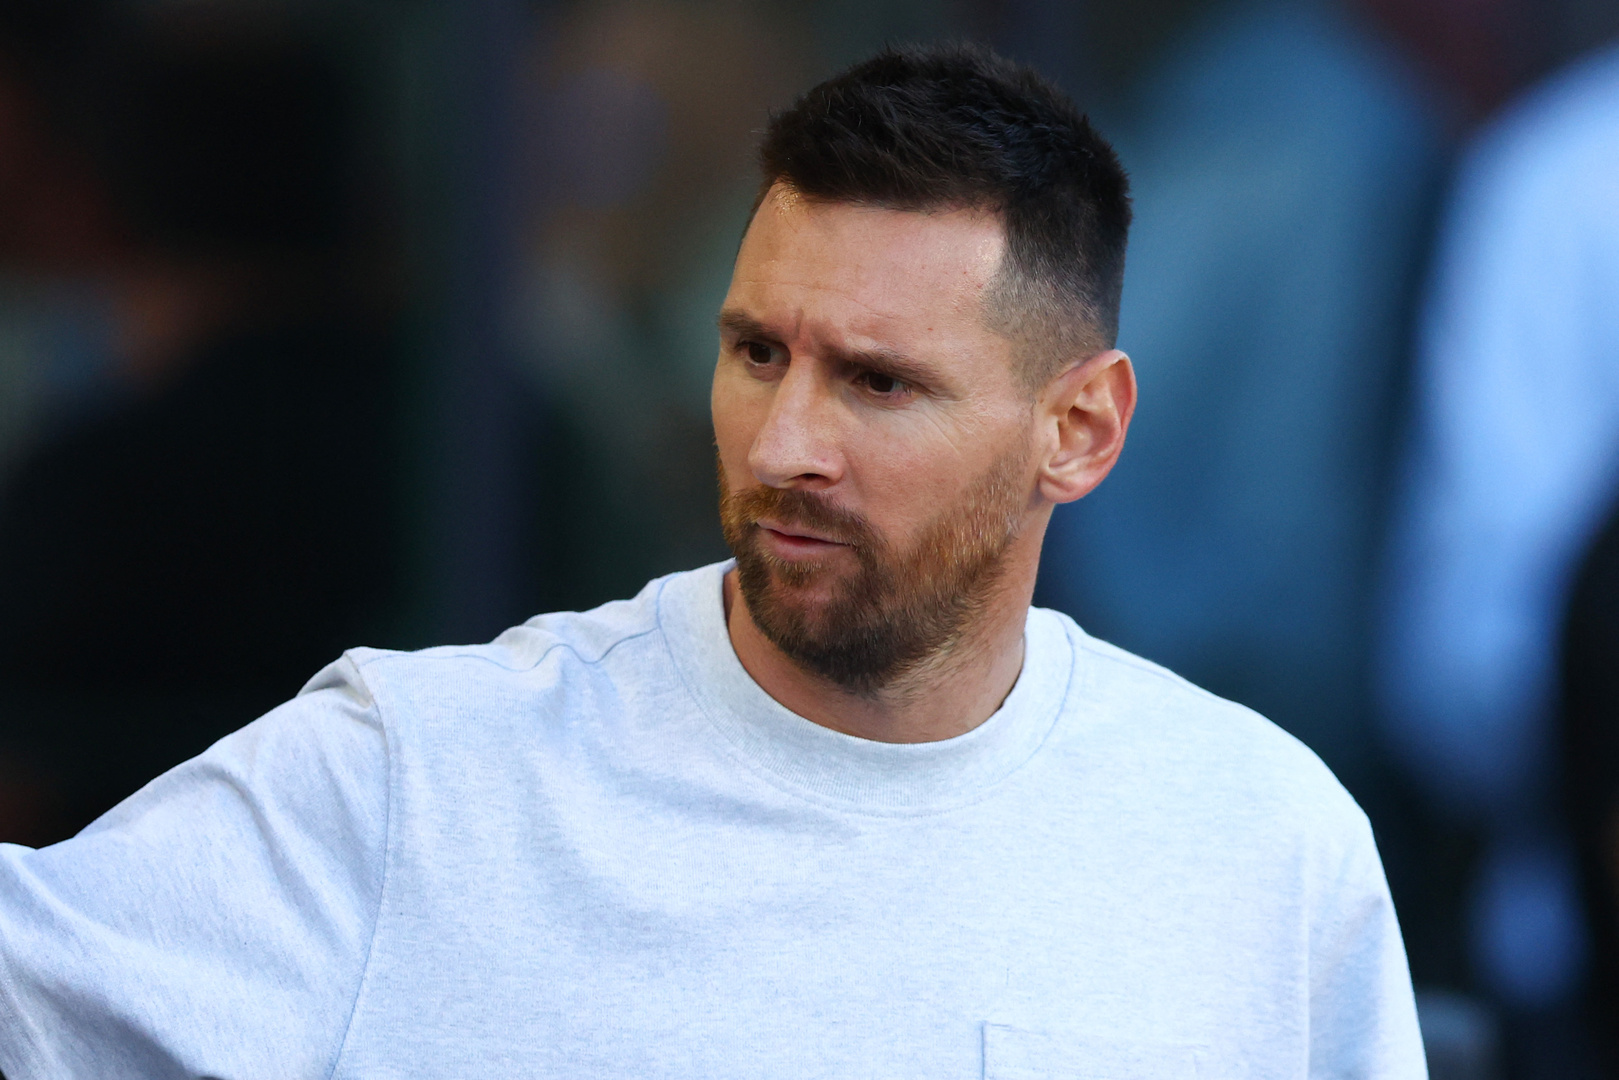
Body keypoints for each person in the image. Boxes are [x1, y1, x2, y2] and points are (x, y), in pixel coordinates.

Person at [0, 45, 1424, 1078]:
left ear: (1079, 430)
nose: (785, 442)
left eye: (878, 382)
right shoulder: (423, 781)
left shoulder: (1260, 844)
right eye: (755, 353)